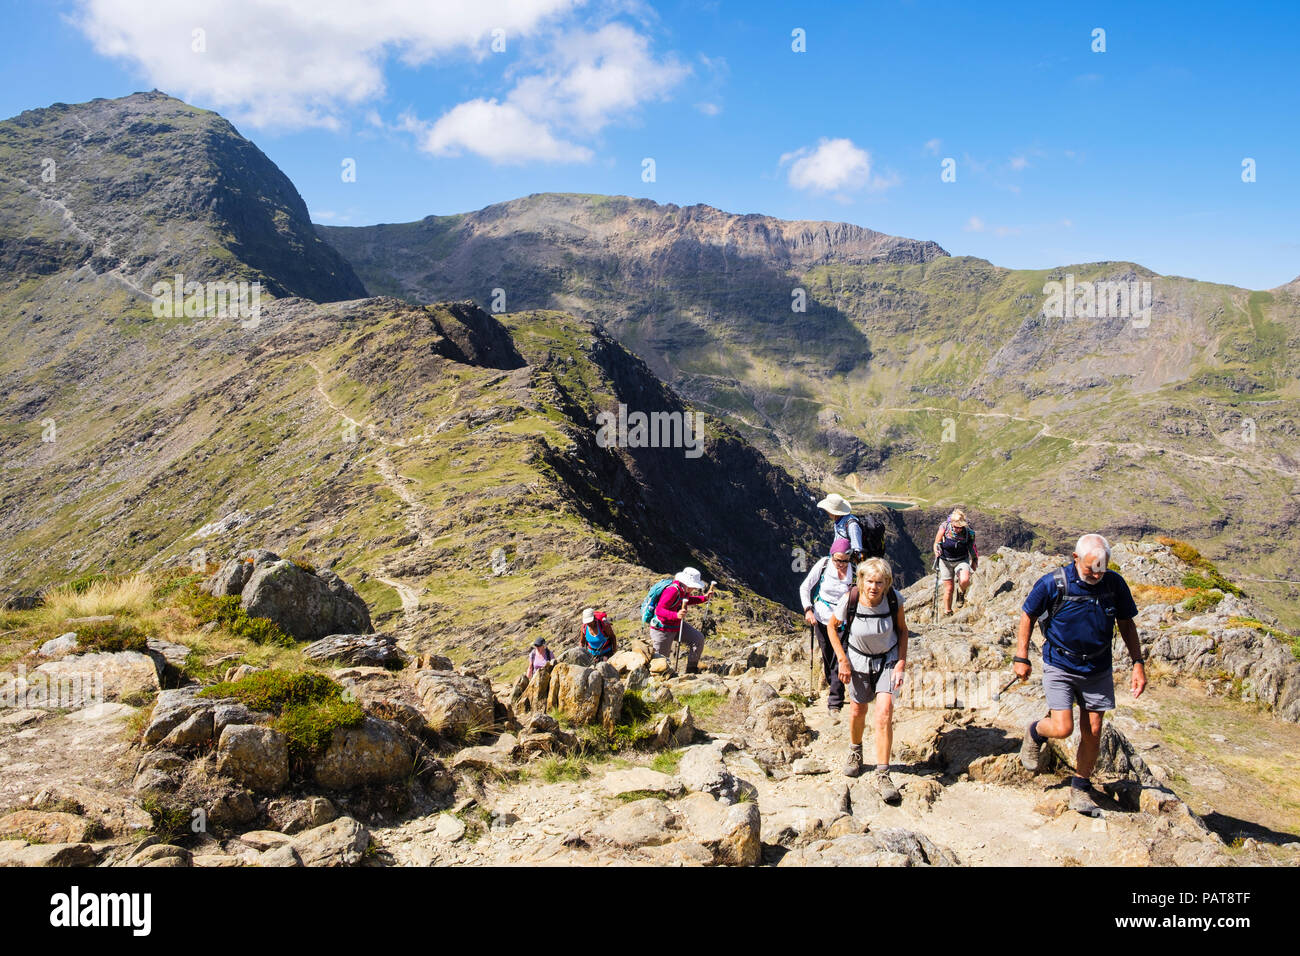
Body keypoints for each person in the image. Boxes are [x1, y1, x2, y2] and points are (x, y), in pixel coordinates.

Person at [1014, 533, 1146, 816]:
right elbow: (1028, 615)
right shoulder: (1053, 583)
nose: (1097, 575)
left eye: (1102, 568)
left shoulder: (1114, 585)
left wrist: (1138, 663)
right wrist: (1021, 657)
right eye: (1090, 569)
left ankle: (1080, 788)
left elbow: (1126, 623)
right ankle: (1035, 731)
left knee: (1094, 730)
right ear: (1075, 559)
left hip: (1097, 668)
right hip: (1060, 664)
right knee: (1063, 728)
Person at [827, 557, 908, 803]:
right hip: (858, 661)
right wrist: (842, 660)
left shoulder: (894, 600)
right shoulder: (850, 599)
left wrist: (901, 663)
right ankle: (855, 751)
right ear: (861, 580)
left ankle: (883, 773)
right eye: (870, 581)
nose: (874, 587)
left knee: (884, 713)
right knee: (857, 711)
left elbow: (903, 630)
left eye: (880, 582)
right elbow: (832, 627)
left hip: (888, 660)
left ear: (887, 583)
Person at [798, 545, 856, 720]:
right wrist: (808, 609)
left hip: (843, 622)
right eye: (838, 560)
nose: (842, 564)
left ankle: (835, 702)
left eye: (845, 561)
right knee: (828, 657)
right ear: (832, 557)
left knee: (841, 657)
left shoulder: (854, 570)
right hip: (822, 618)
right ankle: (834, 684)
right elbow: (805, 587)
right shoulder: (823, 564)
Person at [649, 567, 713, 675]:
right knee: (661, 662)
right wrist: (676, 615)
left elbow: (688, 600)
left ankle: (691, 671)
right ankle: (657, 684)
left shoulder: (684, 590)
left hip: (677, 626)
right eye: (694, 585)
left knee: (698, 639)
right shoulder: (672, 591)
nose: (694, 588)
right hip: (662, 629)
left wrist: (704, 598)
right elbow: (659, 610)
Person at [932, 509, 978, 615]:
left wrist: (974, 560)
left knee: (965, 580)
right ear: (952, 523)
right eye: (956, 527)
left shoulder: (969, 533)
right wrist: (936, 550)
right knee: (949, 588)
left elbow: (972, 547)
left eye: (960, 527)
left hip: (961, 560)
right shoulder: (944, 527)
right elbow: (936, 542)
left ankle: (961, 592)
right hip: (945, 561)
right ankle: (948, 611)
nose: (958, 529)